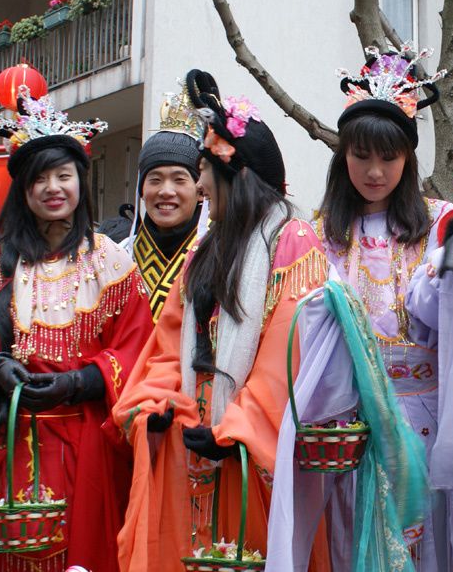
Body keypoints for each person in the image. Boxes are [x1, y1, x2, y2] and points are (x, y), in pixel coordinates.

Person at [0, 87, 153, 572]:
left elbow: (139, 351)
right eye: (40, 179)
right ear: (23, 191)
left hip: (88, 450)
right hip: (1, 445)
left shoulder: (112, 264)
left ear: (80, 183)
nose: (53, 187)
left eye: (63, 176)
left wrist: (81, 381)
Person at [113, 72, 332, 572]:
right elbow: (169, 346)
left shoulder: (293, 241)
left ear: (239, 175)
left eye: (204, 171)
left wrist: (237, 426)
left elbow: (289, 352)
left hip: (249, 452)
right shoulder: (205, 251)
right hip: (191, 438)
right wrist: (157, 403)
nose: (200, 185)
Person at [307, 44, 453, 570]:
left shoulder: (441, 221)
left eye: (389, 157)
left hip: (425, 417)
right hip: (352, 422)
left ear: (409, 159)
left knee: (428, 548)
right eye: (361, 156)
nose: (374, 171)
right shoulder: (320, 235)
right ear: (341, 157)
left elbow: (448, 315)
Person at [124, 86, 204, 320]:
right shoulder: (120, 256)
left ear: (201, 190)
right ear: (141, 189)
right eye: (155, 180)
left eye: (179, 180)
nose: (166, 191)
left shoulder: (219, 253)